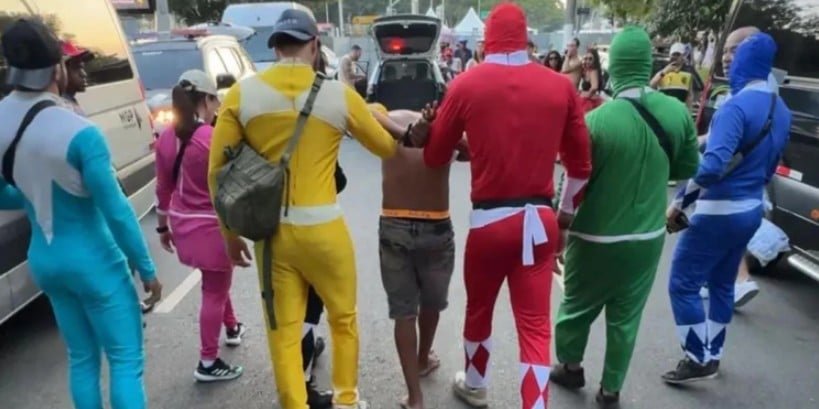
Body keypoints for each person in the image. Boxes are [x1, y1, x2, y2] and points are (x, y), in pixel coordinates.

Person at [208, 9, 409, 409]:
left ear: (276, 48)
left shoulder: (242, 96)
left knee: (283, 332)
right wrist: (377, 113)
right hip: (325, 232)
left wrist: (229, 236)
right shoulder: (339, 96)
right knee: (343, 319)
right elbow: (387, 148)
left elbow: (216, 173)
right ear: (314, 46)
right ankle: (347, 400)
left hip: (272, 237)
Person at [409, 4, 592, 408]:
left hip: (489, 223)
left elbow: (434, 157)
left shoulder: (466, 84)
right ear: (527, 38)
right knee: (535, 325)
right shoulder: (560, 86)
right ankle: (535, 404)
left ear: (486, 38)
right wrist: (564, 218)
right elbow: (580, 168)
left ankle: (475, 384)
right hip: (540, 220)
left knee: (479, 310)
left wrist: (464, 144)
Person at [0, 18, 161, 409]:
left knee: (82, 358)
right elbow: (116, 211)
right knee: (125, 361)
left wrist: (36, 196)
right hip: (95, 261)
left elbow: (5, 196)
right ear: (57, 68)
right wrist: (147, 269)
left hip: (45, 261)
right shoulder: (79, 131)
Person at [549, 27, 700, 407]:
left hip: (594, 238)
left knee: (576, 308)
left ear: (614, 66)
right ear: (648, 63)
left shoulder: (597, 121)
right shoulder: (677, 113)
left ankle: (570, 366)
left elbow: (575, 180)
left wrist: (561, 226)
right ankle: (610, 389)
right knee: (626, 318)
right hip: (647, 238)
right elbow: (687, 168)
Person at [663, 32, 791, 384]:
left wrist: (680, 201)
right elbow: (771, 166)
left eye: (735, 51)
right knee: (721, 284)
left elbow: (712, 167)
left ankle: (696, 358)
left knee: (683, 285)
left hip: (717, 212)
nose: (727, 59)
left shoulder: (734, 107)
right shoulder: (780, 108)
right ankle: (713, 354)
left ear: (745, 58)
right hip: (750, 210)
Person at [368, 105, 467, 409]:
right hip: (436, 226)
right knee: (431, 303)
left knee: (404, 313)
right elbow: (473, 150)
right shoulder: (446, 127)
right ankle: (423, 359)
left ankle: (415, 397)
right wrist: (421, 132)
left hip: (395, 223)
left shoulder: (383, 118)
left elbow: (363, 111)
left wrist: (414, 133)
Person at [154, 70, 247, 382]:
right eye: (214, 100)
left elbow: (163, 188)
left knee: (214, 281)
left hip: (183, 225)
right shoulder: (211, 138)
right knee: (214, 290)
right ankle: (208, 361)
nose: (217, 106)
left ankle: (232, 327)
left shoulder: (166, 138)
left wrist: (162, 228)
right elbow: (234, 183)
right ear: (205, 100)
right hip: (212, 228)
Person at [695, 26, 783, 308]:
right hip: (745, 178)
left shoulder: (750, 91)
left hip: (729, 176)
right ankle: (719, 282)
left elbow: (728, 139)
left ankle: (740, 281)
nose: (726, 57)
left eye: (735, 50)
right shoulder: (761, 86)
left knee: (714, 229)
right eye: (725, 50)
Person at [650, 42, 695, 108]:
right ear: (670, 55)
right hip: (662, 108)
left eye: (678, 54)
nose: (675, 57)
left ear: (683, 56)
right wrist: (664, 72)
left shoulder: (687, 73)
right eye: (673, 54)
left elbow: (690, 96)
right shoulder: (663, 70)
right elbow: (651, 85)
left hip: (678, 109)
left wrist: (688, 112)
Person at [60, 40, 93, 115]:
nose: (84, 74)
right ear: (60, 70)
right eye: (76, 68)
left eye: (82, 68)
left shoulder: (70, 101)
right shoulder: (63, 108)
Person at [578, 48, 604, 113]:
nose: (588, 61)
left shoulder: (593, 70)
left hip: (590, 102)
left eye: (590, 59)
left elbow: (594, 87)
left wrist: (585, 96)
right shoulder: (587, 70)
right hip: (587, 100)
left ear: (595, 60)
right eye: (586, 58)